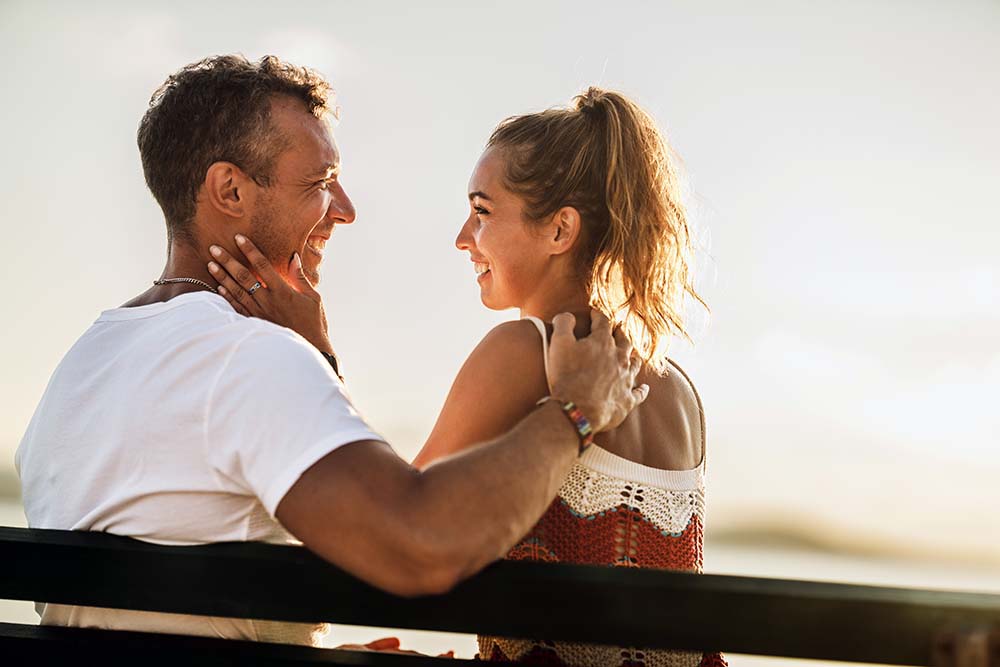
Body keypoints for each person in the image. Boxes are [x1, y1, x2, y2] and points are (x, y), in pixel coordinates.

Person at [14, 55, 647, 647]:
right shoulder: (248, 356)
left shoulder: (82, 366)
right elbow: (420, 543)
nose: (345, 210)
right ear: (229, 192)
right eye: (322, 182)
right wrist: (575, 412)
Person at [213, 88, 726, 666]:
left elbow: (380, 531)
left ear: (560, 231)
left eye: (482, 212)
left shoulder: (522, 352)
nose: (463, 237)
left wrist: (317, 352)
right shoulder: (679, 389)